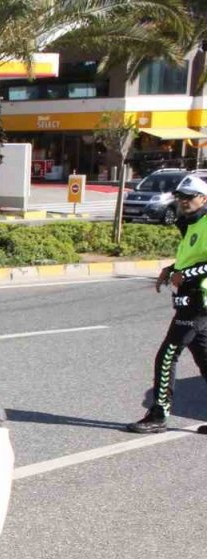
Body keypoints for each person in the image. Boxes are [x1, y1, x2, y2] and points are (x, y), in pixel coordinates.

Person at [127, 173, 207, 434]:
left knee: (167, 355)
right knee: (205, 359)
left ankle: (158, 415)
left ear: (203, 198)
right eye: (180, 197)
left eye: (189, 197)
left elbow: (197, 268)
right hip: (189, 301)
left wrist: (186, 275)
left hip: (199, 301)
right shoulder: (191, 224)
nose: (183, 201)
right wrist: (171, 269)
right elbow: (191, 260)